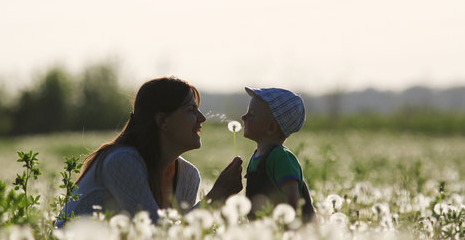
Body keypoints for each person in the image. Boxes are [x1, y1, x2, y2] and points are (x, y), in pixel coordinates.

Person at [56, 76, 243, 227]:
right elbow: (155, 234)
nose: (202, 118)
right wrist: (215, 197)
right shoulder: (122, 161)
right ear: (163, 121)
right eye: (191, 110)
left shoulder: (188, 176)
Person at [241, 87, 315, 222]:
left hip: (283, 231)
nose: (243, 117)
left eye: (251, 113)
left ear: (271, 127)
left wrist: (289, 228)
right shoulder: (257, 156)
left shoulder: (282, 158)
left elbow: (292, 200)